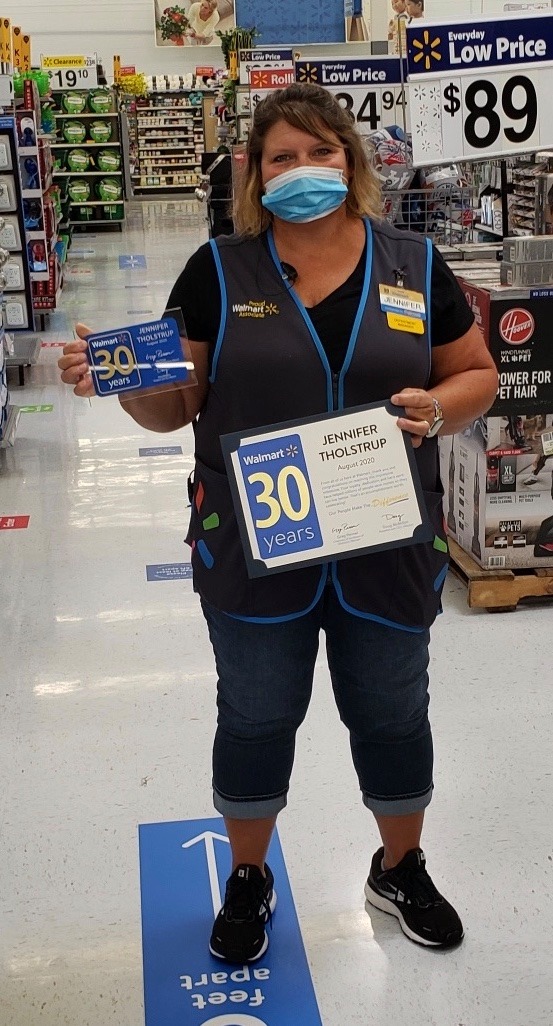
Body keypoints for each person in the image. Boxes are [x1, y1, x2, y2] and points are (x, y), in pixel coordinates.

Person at [59, 83, 498, 965]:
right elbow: (175, 407)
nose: (303, 170)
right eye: (281, 158)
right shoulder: (217, 271)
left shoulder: (413, 262)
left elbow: (475, 374)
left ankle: (399, 868)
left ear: (351, 160)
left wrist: (437, 407)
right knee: (256, 716)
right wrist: (121, 381)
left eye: (320, 152)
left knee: (392, 712)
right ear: (254, 176)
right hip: (255, 548)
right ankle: (249, 876)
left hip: (384, 542)